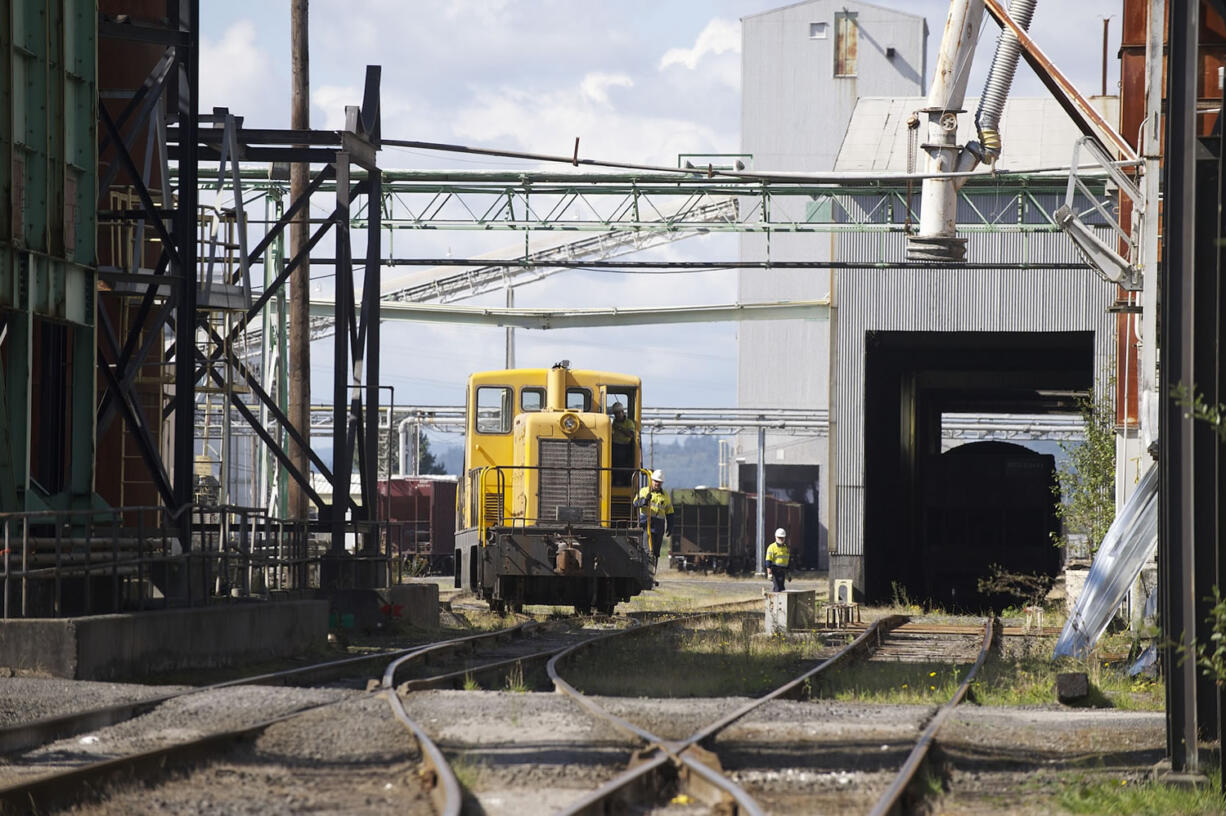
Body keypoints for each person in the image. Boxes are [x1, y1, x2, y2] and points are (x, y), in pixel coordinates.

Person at [634, 469, 674, 561]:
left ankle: (652, 571)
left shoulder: (665, 496)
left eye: (659, 482)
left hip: (659, 528)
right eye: (656, 481)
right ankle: (646, 570)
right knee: (647, 551)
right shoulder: (644, 491)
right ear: (651, 480)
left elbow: (670, 511)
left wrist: (670, 525)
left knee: (656, 553)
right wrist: (644, 501)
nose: (657, 483)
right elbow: (635, 503)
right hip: (646, 525)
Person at [609, 402, 636, 486]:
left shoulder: (629, 423)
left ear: (622, 412)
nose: (618, 415)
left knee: (622, 467)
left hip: (625, 448)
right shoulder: (613, 423)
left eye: (619, 412)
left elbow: (631, 434)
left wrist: (620, 428)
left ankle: (622, 482)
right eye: (616, 413)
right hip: (614, 447)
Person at [765, 528, 790, 592]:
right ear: (776, 537)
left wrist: (788, 574)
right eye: (779, 537)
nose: (781, 539)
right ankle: (775, 601)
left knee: (782, 588)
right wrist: (769, 573)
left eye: (782, 538)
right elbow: (768, 561)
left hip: (782, 571)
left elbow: (786, 562)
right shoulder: (772, 547)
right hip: (775, 571)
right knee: (777, 588)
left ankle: (780, 601)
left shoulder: (786, 548)